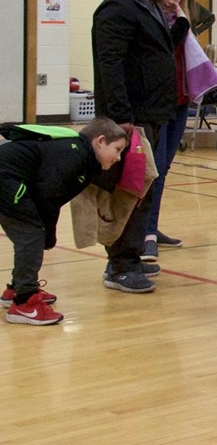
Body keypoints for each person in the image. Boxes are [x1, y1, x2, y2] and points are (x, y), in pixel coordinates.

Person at [91, 0, 188, 294]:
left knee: (142, 188)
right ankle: (120, 264)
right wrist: (121, 119)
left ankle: (129, 257)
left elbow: (154, 55)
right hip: (132, 119)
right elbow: (110, 65)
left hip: (153, 114)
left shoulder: (149, 8)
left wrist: (180, 23)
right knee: (128, 189)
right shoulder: (118, 8)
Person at [1, 118, 129, 325]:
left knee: (32, 233)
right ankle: (24, 303)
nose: (119, 157)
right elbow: (48, 196)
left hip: (10, 179)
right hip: (5, 179)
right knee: (32, 235)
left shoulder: (81, 155)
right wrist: (47, 233)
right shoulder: (74, 156)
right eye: (117, 149)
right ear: (100, 141)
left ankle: (17, 288)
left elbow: (51, 197)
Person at [142, 0, 217, 263]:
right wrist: (182, 20)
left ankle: (152, 226)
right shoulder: (158, 22)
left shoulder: (182, 22)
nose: (171, 1)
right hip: (159, 103)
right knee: (155, 168)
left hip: (180, 100)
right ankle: (146, 231)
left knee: (165, 169)